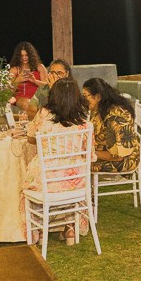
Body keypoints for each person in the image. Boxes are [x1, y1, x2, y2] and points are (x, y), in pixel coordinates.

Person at [23, 78, 93, 243]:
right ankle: (70, 228)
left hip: (47, 179)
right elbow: (90, 154)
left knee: (29, 183)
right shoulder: (85, 124)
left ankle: (39, 231)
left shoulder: (43, 114)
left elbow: (31, 138)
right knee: (73, 180)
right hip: (74, 179)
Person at [82, 78, 140, 173]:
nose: (82, 100)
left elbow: (118, 156)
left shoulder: (115, 117)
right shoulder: (102, 109)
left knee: (79, 165)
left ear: (98, 97)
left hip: (125, 160)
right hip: (107, 151)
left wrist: (91, 153)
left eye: (85, 96)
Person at [9, 41, 49, 111]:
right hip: (21, 98)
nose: (24, 58)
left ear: (31, 55)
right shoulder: (14, 70)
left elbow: (47, 85)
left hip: (37, 97)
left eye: (26, 55)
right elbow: (8, 91)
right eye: (21, 56)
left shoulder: (40, 67)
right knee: (26, 102)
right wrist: (18, 80)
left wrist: (35, 81)